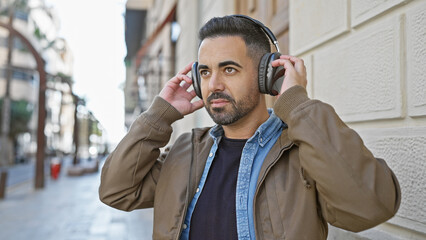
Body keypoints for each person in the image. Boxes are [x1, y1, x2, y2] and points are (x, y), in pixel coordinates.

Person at [99, 15, 401, 240]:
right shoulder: (184, 152)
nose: (213, 85)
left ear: (266, 76)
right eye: (205, 72)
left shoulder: (302, 150)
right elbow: (116, 191)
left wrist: (296, 105)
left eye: (229, 69)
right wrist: (159, 116)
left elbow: (371, 206)